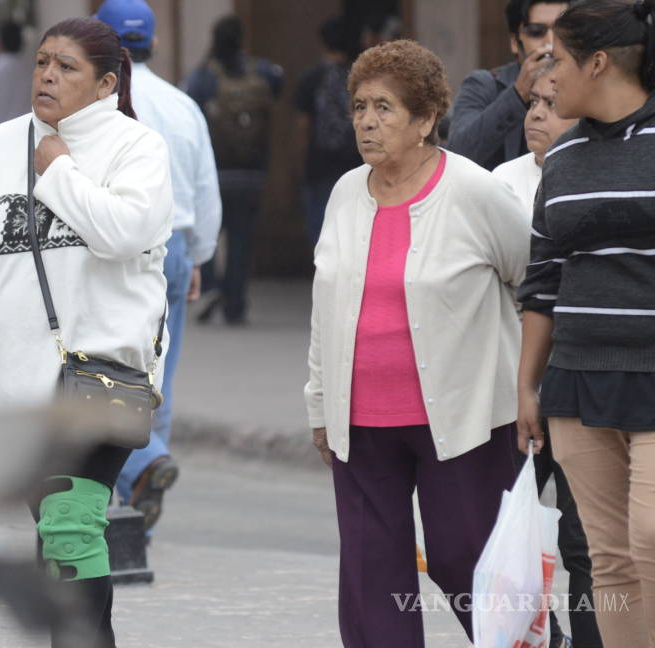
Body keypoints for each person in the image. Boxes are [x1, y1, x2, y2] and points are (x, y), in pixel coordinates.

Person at [0, 17, 172, 647]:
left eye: (67, 67)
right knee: (62, 535)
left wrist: (59, 169)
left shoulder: (135, 148)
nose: (47, 75)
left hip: (101, 375)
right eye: (43, 62)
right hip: (19, 382)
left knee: (68, 527)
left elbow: (121, 232)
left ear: (105, 84)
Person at [305, 40, 529, 647]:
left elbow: (531, 279)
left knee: (468, 561)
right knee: (372, 578)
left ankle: (530, 639)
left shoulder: (474, 191)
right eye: (359, 107)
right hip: (361, 421)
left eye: (384, 107)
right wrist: (320, 404)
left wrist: (528, 382)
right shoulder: (345, 193)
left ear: (427, 119)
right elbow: (325, 310)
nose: (367, 122)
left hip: (461, 419)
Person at [517, 1, 655, 644]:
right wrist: (528, 385)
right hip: (577, 381)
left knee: (651, 540)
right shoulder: (564, 160)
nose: (547, 80)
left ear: (599, 63)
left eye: (560, 62)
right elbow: (543, 281)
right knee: (609, 559)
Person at [94, 0, 222, 531]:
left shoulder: (98, 105)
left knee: (104, 370)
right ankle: (146, 470)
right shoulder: (182, 105)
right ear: (155, 43)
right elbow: (204, 188)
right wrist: (197, 255)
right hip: (175, 246)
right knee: (158, 372)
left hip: (119, 244)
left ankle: (139, 467)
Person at [494, 71, 601, 648]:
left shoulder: (598, 175)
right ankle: (541, 636)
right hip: (509, 392)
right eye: (532, 101)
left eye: (552, 104)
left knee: (585, 543)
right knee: (503, 527)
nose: (536, 113)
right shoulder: (497, 185)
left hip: (583, 388)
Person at [184, 15, 283, 326]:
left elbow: (191, 113)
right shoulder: (262, 71)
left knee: (210, 231)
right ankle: (235, 304)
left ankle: (212, 286)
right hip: (252, 172)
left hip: (215, 171)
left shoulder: (203, 77)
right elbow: (278, 85)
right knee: (241, 239)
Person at [447, 0, 568, 169]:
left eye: (560, 31)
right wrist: (518, 94)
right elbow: (457, 156)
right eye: (536, 32)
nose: (550, 42)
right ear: (514, 42)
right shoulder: (484, 85)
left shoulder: (582, 84)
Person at [294, 16, 362, 245]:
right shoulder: (360, 79)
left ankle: (325, 277)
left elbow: (303, 126)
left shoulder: (311, 79)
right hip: (357, 163)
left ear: (323, 43)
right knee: (356, 228)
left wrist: (301, 162)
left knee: (322, 229)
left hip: (319, 165)